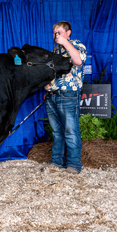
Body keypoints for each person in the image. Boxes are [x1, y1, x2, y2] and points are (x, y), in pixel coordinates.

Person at [44, 21, 87, 174]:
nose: (56, 36)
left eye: (59, 32)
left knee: (71, 130)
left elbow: (78, 61)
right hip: (52, 95)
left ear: (68, 32)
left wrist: (65, 43)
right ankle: (57, 162)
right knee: (57, 132)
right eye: (54, 33)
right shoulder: (55, 50)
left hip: (68, 94)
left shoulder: (77, 44)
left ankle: (74, 165)